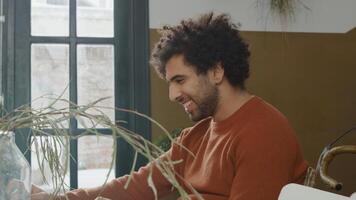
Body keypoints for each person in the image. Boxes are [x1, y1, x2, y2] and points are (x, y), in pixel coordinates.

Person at [31, 12, 308, 200]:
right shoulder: (197, 136)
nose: (172, 94)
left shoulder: (263, 133)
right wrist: (58, 198)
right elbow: (137, 186)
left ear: (216, 71)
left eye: (180, 80)